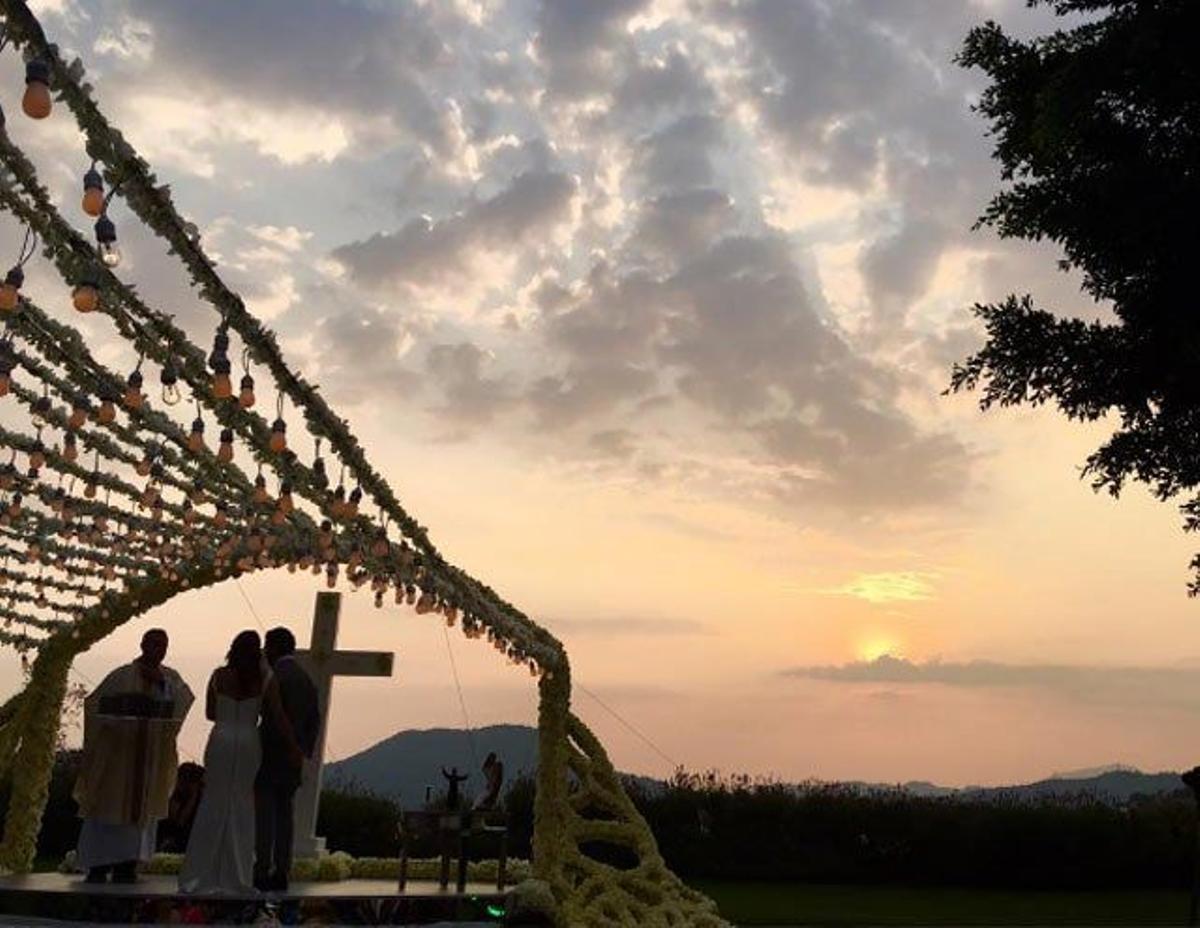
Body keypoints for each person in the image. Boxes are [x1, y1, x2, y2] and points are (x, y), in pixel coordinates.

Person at [179, 631, 304, 895]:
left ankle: (201, 872)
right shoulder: (265, 678)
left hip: (221, 740)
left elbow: (210, 713)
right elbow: (279, 717)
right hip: (248, 741)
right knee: (241, 803)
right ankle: (237, 874)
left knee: (214, 800)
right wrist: (294, 747)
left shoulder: (218, 676)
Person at [73, 628, 194, 884]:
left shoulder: (170, 678)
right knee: (109, 815)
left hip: (149, 761)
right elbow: (95, 706)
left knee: (139, 818)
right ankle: (98, 864)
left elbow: (183, 701)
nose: (158, 649)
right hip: (119, 760)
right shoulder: (121, 676)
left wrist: (162, 685)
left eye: (163, 645)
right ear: (142, 644)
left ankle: (128, 864)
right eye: (153, 643)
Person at [254, 626, 320, 893]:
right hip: (293, 758)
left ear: (272, 647)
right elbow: (314, 719)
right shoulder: (305, 678)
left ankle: (262, 869)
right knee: (286, 815)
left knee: (265, 816)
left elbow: (269, 715)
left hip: (270, 753)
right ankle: (283, 870)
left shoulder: (273, 677)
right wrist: (303, 751)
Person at [158, 762, 205, 852]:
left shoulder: (200, 796)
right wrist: (192, 797)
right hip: (174, 836)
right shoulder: (177, 796)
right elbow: (179, 821)